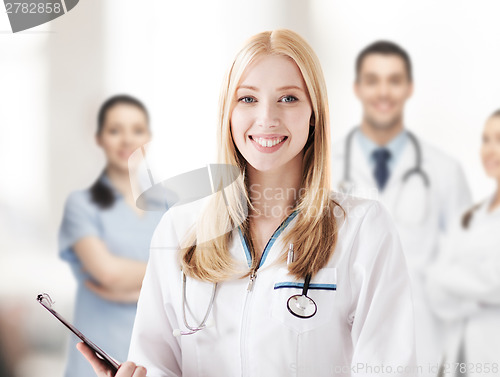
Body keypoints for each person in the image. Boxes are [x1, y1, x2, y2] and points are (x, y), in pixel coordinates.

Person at [78, 29, 416, 377]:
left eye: (288, 98)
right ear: (228, 113)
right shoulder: (179, 230)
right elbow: (155, 363)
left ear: (314, 113)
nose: (267, 118)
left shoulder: (362, 229)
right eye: (248, 99)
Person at [330, 41, 472, 374]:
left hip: (428, 350)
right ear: (357, 88)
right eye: (373, 80)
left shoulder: (444, 171)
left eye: (394, 80)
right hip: (345, 347)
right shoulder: (325, 169)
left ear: (409, 88)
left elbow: (467, 268)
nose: (384, 92)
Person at [59, 95, 164, 377]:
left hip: (153, 357)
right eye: (115, 130)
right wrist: (163, 275)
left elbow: (192, 273)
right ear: (100, 138)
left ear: (149, 138)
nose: (127, 140)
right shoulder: (81, 204)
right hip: (98, 355)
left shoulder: (168, 204)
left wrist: (134, 282)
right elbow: (108, 273)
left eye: (137, 130)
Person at [426, 110, 500, 376]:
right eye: (485, 139)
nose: (489, 150)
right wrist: (478, 298)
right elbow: (435, 285)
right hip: (458, 358)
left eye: (499, 139)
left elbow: (495, 280)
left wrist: (458, 287)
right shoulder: (470, 216)